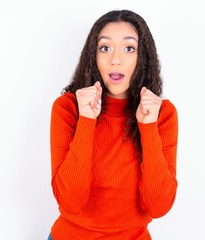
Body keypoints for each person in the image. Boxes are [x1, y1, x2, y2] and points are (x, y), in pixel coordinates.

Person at [48, 9, 178, 240]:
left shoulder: (162, 114)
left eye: (129, 48)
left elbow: (158, 207)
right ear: (93, 56)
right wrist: (87, 120)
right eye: (105, 48)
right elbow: (70, 202)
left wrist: (147, 126)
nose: (115, 60)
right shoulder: (68, 108)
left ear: (143, 56)